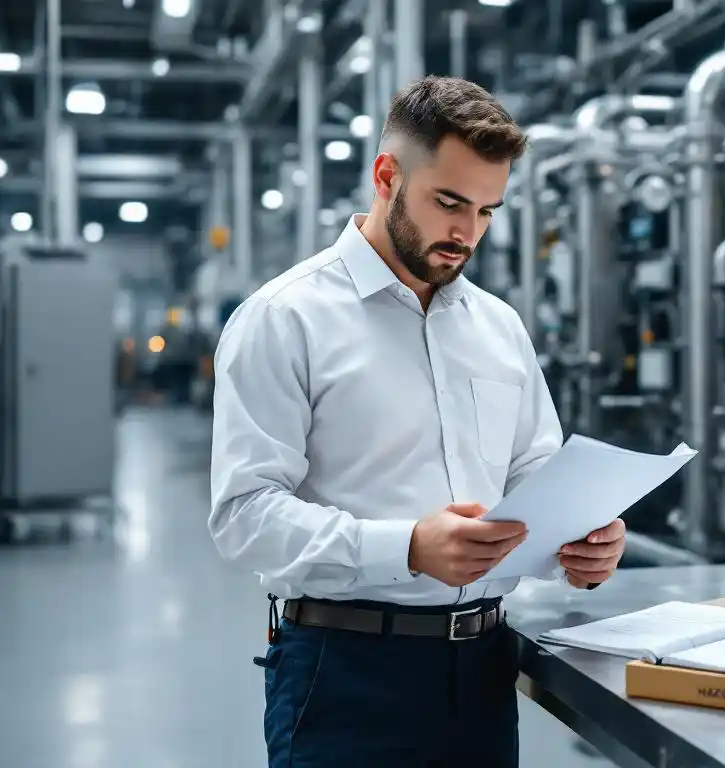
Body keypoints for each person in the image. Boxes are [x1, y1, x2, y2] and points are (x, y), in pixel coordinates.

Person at [208, 75, 627, 768]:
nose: (467, 234)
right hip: (345, 675)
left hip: (485, 669)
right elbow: (243, 516)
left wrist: (580, 546)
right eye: (449, 202)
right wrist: (406, 547)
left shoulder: (499, 326)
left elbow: (533, 473)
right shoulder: (286, 319)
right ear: (386, 176)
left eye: (488, 211)